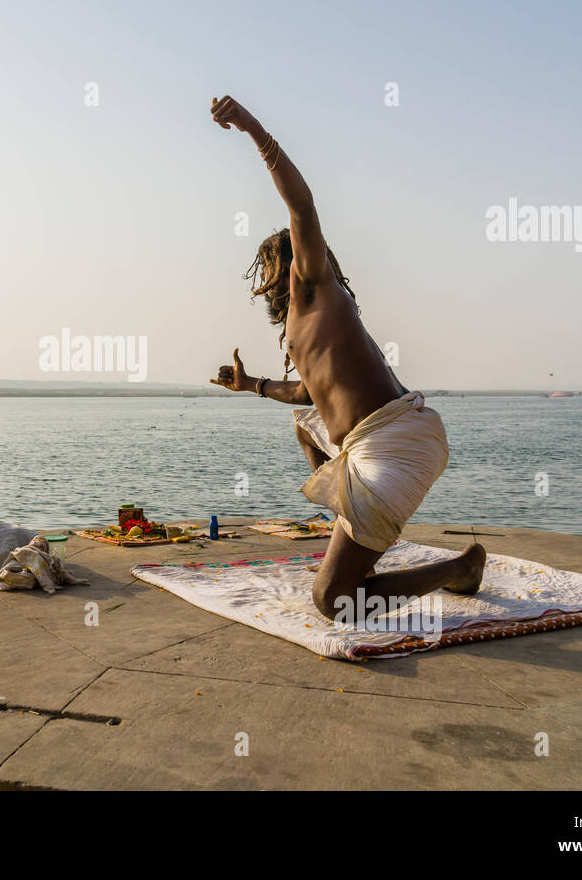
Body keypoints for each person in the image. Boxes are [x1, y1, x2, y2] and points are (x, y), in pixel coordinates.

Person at [207, 95, 485, 621]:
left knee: (333, 601)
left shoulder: (315, 287)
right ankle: (355, 541)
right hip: (379, 440)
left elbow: (303, 208)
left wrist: (251, 129)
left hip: (394, 445)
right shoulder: (303, 325)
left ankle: (460, 568)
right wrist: (253, 386)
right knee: (303, 424)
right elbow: (308, 395)